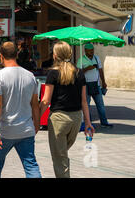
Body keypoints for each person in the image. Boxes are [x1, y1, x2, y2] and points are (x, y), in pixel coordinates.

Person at [40, 41, 95, 178]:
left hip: (59, 119)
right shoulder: (79, 73)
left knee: (60, 158)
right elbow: (84, 101)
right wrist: (88, 122)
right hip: (76, 119)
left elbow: (46, 100)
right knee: (62, 154)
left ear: (55, 55)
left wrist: (35, 120)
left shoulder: (52, 74)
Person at [0, 42, 41, 178]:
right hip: (26, 130)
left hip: (5, 131)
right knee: (31, 165)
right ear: (17, 55)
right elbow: (35, 104)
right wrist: (36, 125)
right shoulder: (30, 76)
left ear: (1, 56)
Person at [76, 43, 113, 128]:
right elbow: (78, 73)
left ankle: (104, 122)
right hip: (85, 85)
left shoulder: (96, 58)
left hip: (96, 85)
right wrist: (87, 68)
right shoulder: (81, 60)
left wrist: (103, 82)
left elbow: (100, 70)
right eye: (90, 50)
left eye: (92, 50)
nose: (92, 52)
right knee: (86, 105)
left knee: (100, 105)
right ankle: (88, 122)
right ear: (85, 51)